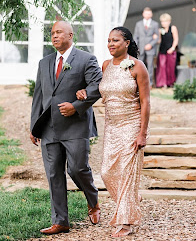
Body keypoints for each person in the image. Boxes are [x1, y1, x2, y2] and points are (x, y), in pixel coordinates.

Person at [30, 21, 102, 235]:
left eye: (59, 32)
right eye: (52, 33)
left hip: (75, 126)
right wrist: (34, 126)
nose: (54, 36)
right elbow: (39, 96)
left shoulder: (86, 59)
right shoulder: (44, 62)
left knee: (77, 169)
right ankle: (60, 221)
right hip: (49, 127)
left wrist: (77, 105)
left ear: (71, 34)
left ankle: (93, 199)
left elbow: (97, 86)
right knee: (54, 174)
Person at [77, 27, 150, 237]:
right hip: (112, 127)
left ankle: (125, 222)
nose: (110, 44)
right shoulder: (106, 65)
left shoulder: (138, 67)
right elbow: (104, 92)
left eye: (115, 40)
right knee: (107, 172)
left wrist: (142, 133)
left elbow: (146, 102)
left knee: (126, 173)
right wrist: (84, 94)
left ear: (127, 43)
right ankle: (130, 200)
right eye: (108, 40)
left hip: (132, 124)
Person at [134, 7, 159, 87]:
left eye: (149, 13)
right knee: (140, 65)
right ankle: (139, 82)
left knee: (150, 66)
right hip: (140, 48)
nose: (147, 15)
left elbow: (157, 37)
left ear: (151, 14)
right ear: (143, 14)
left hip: (150, 48)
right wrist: (136, 46)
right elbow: (136, 36)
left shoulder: (155, 24)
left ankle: (150, 83)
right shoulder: (138, 24)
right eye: (146, 13)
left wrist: (150, 44)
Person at [156, 13, 179, 88]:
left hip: (171, 51)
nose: (163, 23)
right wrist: (155, 38)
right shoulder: (160, 30)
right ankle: (163, 83)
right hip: (162, 50)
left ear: (169, 21)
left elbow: (176, 39)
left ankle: (171, 83)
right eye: (162, 22)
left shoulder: (173, 28)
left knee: (170, 68)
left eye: (165, 21)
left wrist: (172, 48)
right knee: (162, 67)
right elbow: (159, 41)